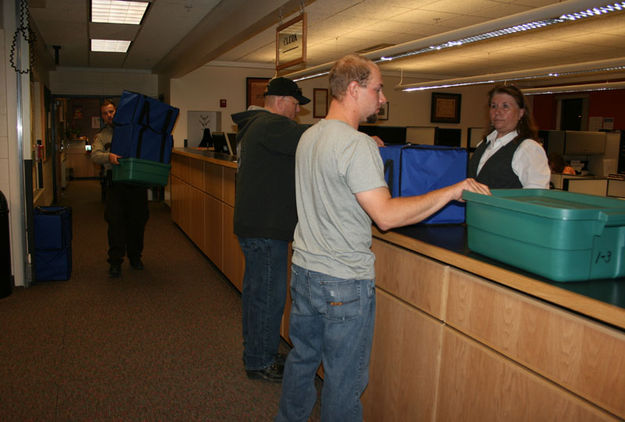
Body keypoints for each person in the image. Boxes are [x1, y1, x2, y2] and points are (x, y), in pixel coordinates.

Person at [275, 54, 490, 422]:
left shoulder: (310, 136)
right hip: (342, 283)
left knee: (302, 360)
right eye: (378, 88)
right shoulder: (355, 146)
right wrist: (451, 191)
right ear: (354, 89)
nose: (383, 97)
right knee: (343, 382)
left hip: (305, 271)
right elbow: (386, 217)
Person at [231, 77, 311, 382]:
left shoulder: (254, 125)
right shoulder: (271, 124)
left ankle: (257, 352)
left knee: (256, 295)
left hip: (257, 227)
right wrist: (354, 135)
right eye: (294, 105)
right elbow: (315, 136)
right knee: (267, 296)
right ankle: (260, 361)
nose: (296, 112)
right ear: (280, 101)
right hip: (265, 229)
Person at [91, 99, 149, 278]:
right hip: (115, 184)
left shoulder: (134, 130)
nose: (109, 115)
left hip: (136, 183)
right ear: (102, 116)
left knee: (137, 222)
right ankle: (115, 262)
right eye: (105, 113)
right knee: (115, 224)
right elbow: (95, 155)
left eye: (111, 111)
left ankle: (135, 257)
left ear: (117, 111)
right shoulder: (101, 136)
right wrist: (109, 156)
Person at [467, 84, 551, 189]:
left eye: (505, 106)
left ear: (521, 113)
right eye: (493, 106)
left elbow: (536, 195)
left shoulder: (528, 148)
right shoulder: (483, 144)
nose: (497, 112)